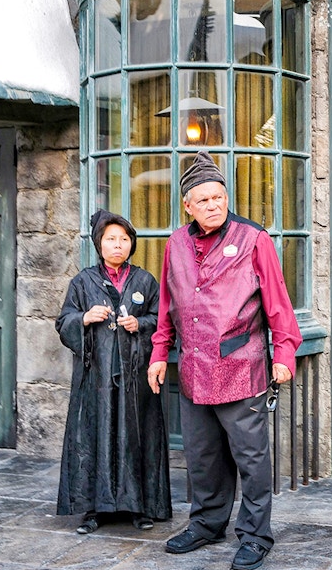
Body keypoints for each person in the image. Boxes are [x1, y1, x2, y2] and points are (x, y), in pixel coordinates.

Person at [147, 150, 302, 570]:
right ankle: (207, 524)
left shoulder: (254, 239)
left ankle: (255, 535)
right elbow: (167, 306)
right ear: (188, 206)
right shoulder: (175, 244)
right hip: (194, 368)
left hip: (241, 366)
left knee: (251, 458)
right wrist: (159, 353)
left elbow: (277, 302)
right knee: (202, 457)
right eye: (204, 200)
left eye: (219, 197)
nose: (213, 205)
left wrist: (284, 353)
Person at [55, 209, 171, 534]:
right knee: (95, 436)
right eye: (110, 239)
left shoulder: (145, 281)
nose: (118, 245)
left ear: (131, 244)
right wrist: (84, 318)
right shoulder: (83, 282)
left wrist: (140, 324)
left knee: (138, 436)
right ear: (99, 244)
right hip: (96, 377)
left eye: (123, 239)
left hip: (135, 378)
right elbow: (63, 322)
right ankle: (94, 509)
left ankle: (140, 507)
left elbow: (162, 322)